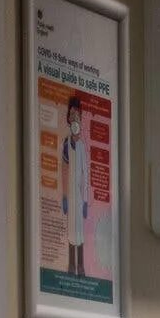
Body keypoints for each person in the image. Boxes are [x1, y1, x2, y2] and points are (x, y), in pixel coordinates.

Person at [61, 95, 89, 277]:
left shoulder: (82, 146)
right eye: (72, 115)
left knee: (81, 233)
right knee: (72, 231)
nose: (75, 119)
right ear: (69, 119)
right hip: (70, 197)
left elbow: (85, 174)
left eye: (78, 115)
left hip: (79, 197)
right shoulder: (66, 145)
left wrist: (85, 200)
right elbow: (64, 170)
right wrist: (64, 196)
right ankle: (71, 265)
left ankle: (82, 266)